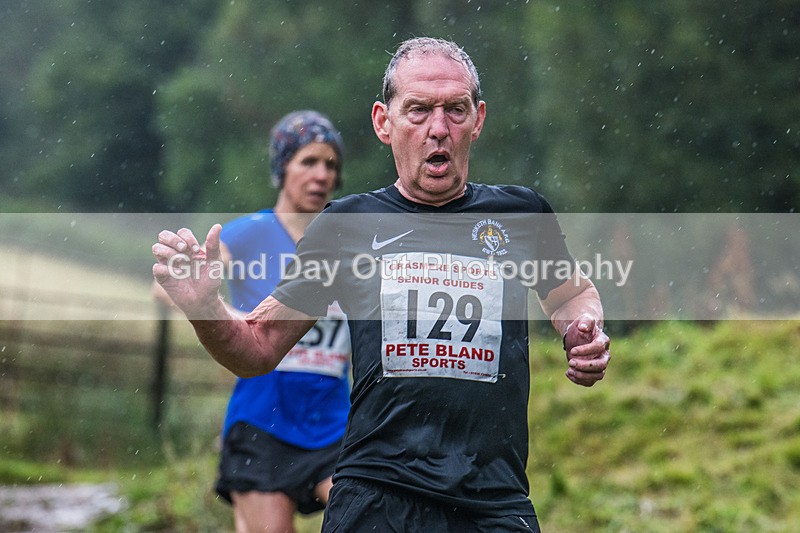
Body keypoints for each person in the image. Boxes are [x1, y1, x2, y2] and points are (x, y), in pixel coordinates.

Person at [153, 37, 611, 532]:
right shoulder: (345, 226)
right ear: (383, 122)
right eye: (417, 110)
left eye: (455, 110)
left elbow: (570, 293)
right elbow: (258, 346)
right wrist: (205, 305)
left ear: (478, 119)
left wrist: (581, 328)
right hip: (376, 499)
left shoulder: (520, 214)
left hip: (493, 499)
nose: (439, 128)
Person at [157, 110, 351, 533]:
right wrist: (242, 320)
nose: (321, 174)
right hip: (265, 423)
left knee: (372, 523)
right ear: (282, 167)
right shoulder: (252, 234)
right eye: (308, 161)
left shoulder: (344, 245)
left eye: (331, 165)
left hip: (336, 425)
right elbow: (170, 288)